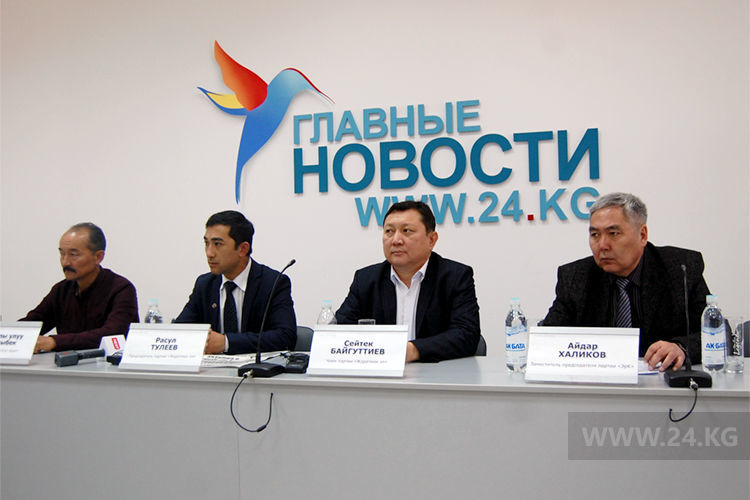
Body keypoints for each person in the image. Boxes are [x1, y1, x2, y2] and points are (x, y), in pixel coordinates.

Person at [542, 192, 711, 371]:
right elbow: (548, 339)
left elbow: (719, 334)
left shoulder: (680, 269)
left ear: (642, 235)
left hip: (661, 381)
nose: (603, 245)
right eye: (595, 235)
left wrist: (680, 348)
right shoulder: (575, 277)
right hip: (599, 382)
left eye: (613, 233)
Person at [335, 201, 480, 362]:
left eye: (407, 231)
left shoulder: (455, 277)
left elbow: (467, 335)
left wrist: (413, 350)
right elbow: (338, 331)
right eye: (389, 231)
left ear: (432, 239)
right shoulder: (366, 279)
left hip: (436, 374)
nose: (396, 240)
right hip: (379, 374)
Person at [175, 210, 296, 354]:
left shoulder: (273, 283)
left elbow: (285, 337)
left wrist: (226, 343)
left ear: (243, 249)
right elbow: (179, 331)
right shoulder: (205, 285)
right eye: (206, 243)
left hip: (254, 368)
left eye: (217, 244)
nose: (209, 253)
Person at [21, 223, 139, 352]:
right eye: (62, 254)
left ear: (98, 257)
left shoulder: (121, 289)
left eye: (73, 255)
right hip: (65, 363)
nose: (65, 262)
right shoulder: (61, 290)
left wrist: (55, 342)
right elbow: (31, 325)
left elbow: (113, 334)